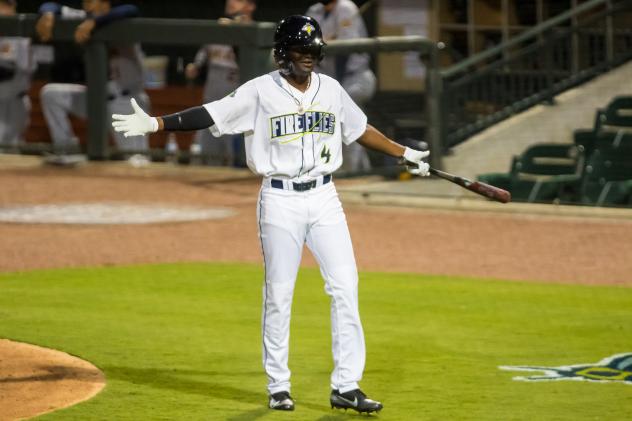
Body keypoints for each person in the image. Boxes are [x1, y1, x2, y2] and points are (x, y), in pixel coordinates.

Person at [112, 15, 429, 414]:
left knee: (346, 288)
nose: (309, 57)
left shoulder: (331, 90)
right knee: (280, 294)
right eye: (301, 50)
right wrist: (157, 123)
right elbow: (211, 114)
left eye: (314, 50)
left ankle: (346, 386)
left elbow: (360, 128)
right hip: (279, 200)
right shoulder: (259, 92)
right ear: (283, 53)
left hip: (326, 197)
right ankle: (279, 385)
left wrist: (404, 153)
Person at [36, 0, 149, 157]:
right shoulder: (84, 16)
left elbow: (131, 9)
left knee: (136, 160)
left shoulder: (121, 18)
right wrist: (47, 15)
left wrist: (95, 22)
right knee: (51, 94)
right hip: (96, 98)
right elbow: (51, 6)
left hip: (126, 102)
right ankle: (66, 148)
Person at [306, 0, 377, 172]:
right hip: (331, 80)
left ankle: (352, 172)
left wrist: (322, 43)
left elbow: (344, 50)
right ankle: (362, 170)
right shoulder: (314, 11)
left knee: (348, 125)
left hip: (355, 78)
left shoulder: (346, 7)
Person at [184, 0, 256, 166]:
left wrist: (237, 28)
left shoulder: (253, 32)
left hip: (236, 102)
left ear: (251, 6)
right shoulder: (218, 28)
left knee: (234, 151)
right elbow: (203, 54)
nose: (231, 2)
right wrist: (195, 65)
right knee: (208, 149)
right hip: (211, 98)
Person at [0, 0, 35, 152]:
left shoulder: (22, 38)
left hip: (16, 102)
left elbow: (26, 69)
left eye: (8, 6)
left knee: (13, 150)